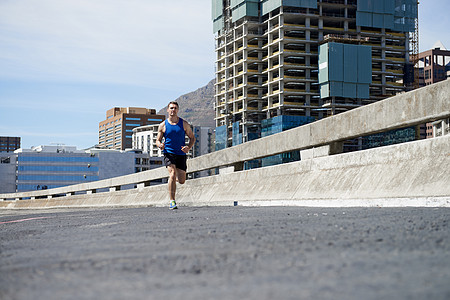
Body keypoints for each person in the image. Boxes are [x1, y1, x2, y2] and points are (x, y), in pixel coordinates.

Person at [156, 101, 195, 209]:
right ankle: (172, 201)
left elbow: (192, 137)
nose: (173, 110)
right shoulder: (163, 125)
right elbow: (157, 140)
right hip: (168, 152)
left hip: (181, 154)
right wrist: (160, 145)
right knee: (172, 174)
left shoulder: (184, 124)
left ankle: (173, 181)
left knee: (182, 180)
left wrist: (188, 147)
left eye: (175, 108)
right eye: (171, 108)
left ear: (177, 110)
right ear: (168, 110)